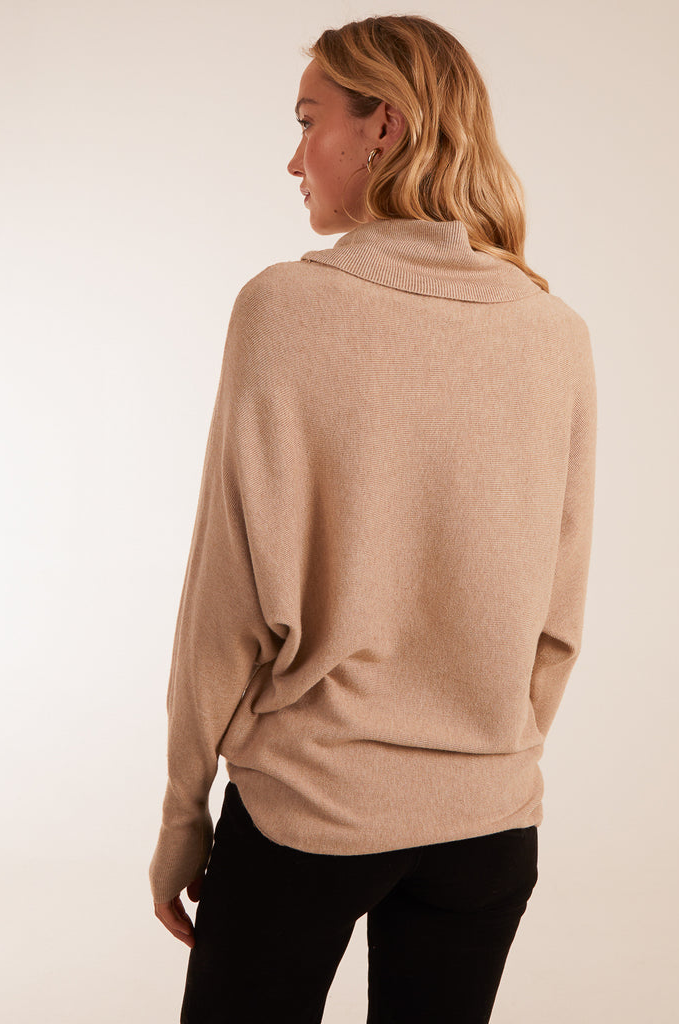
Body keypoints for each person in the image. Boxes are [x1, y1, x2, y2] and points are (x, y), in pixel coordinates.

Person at [150, 13, 597, 1024]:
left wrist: (183, 810)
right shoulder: (554, 330)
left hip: (307, 811)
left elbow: (224, 599)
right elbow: (558, 617)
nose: (294, 157)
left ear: (383, 128)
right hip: (490, 826)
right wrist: (485, 758)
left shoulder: (283, 307)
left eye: (309, 120)